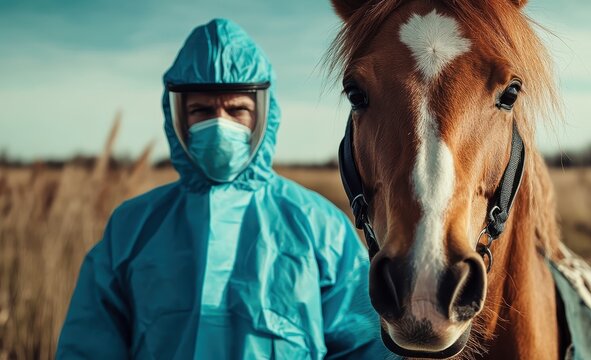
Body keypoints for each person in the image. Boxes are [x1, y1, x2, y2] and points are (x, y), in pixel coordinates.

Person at [56, 18, 391, 359]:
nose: (220, 124)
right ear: (177, 119)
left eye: (237, 109)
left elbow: (363, 348)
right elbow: (88, 347)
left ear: (263, 115)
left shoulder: (319, 228)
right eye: (201, 110)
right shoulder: (131, 228)